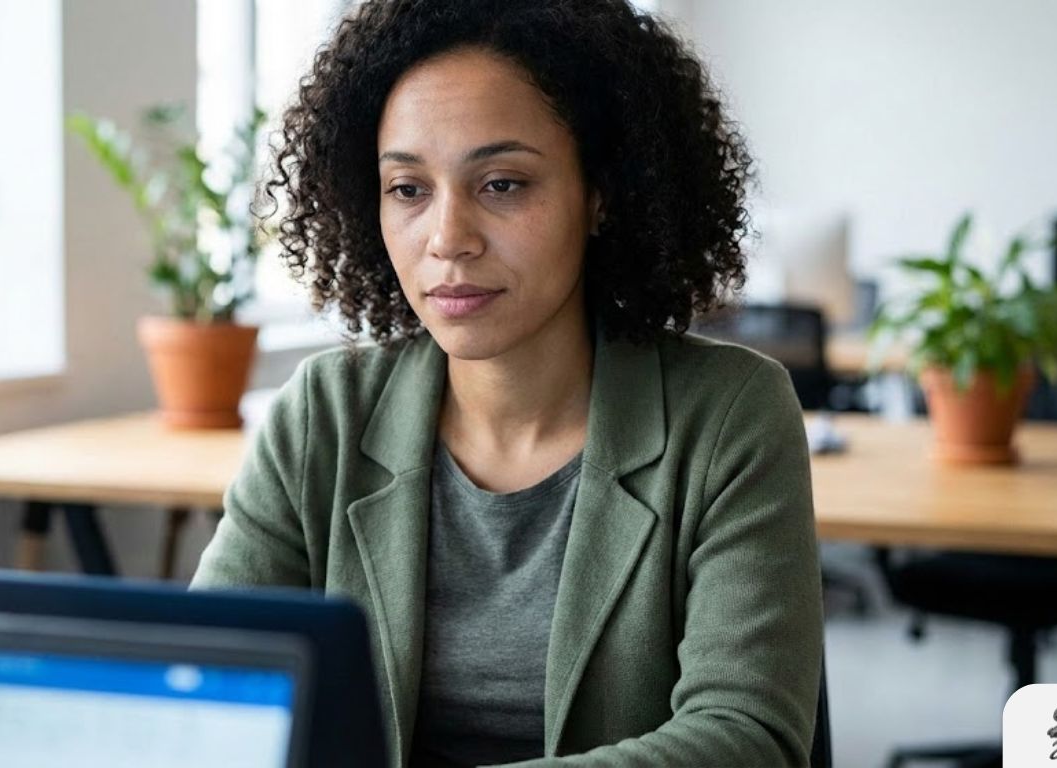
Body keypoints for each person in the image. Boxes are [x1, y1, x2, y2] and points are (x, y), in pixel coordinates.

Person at [192, 1, 824, 766]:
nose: (448, 238)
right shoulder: (323, 413)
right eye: (408, 189)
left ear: (601, 194)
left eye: (502, 184)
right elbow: (210, 688)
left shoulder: (728, 412)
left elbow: (747, 738)